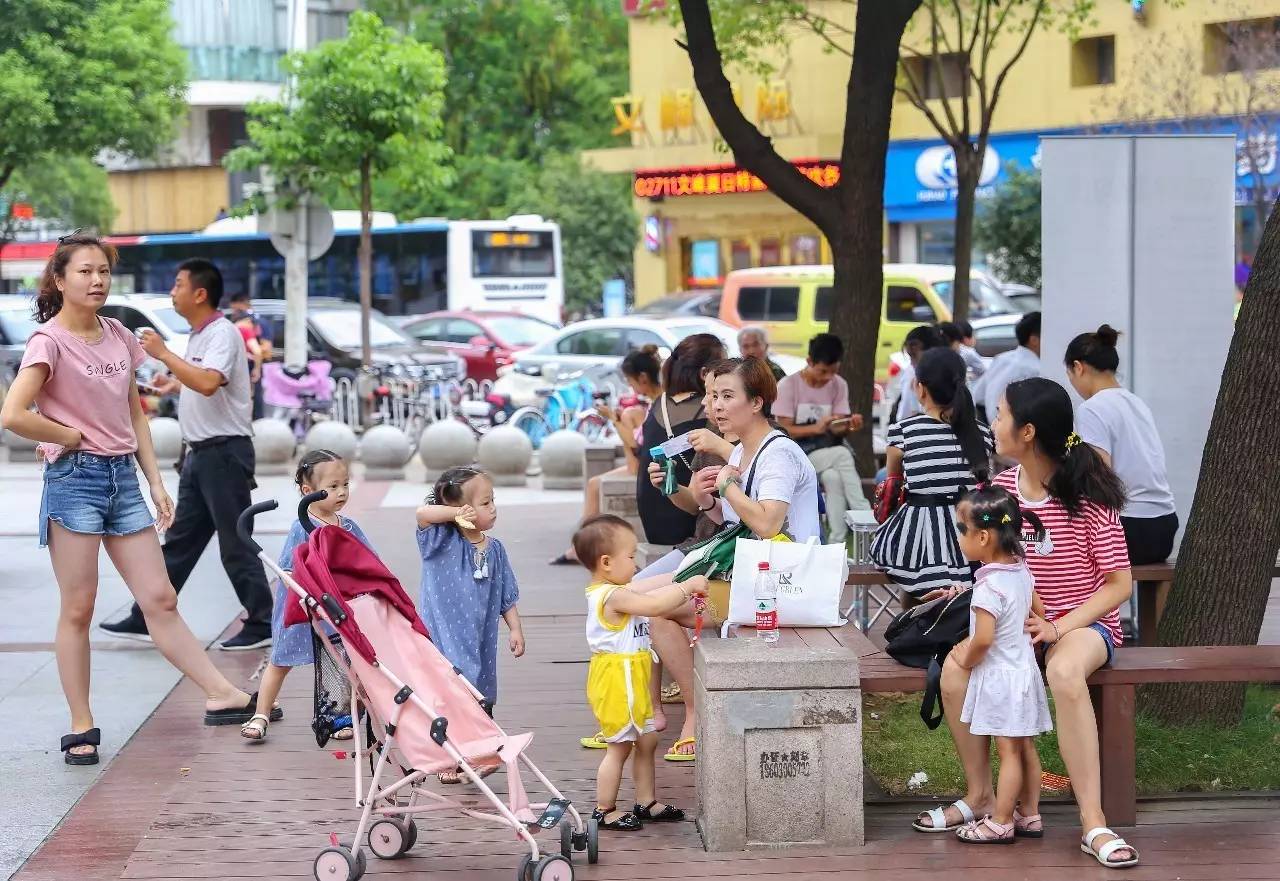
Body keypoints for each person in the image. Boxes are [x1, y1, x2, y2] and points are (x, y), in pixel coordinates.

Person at [0, 232, 262, 764]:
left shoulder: (119, 334)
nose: (97, 280)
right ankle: (81, 724)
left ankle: (222, 693)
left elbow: (133, 413)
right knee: (79, 607)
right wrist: (68, 435)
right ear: (60, 279)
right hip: (74, 481)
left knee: (159, 597)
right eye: (85, 272)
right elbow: (13, 414)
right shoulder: (47, 342)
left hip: (123, 480)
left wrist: (156, 482)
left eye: (103, 271)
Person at [919, 377, 1139, 870]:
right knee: (954, 670)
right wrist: (965, 594)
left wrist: (1058, 628)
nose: (993, 423)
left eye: (1000, 414)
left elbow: (1118, 585)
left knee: (1064, 671)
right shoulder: (1001, 493)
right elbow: (995, 565)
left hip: (1085, 626)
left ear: (1028, 431)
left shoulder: (1088, 491)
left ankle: (1093, 822)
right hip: (1018, 628)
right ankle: (980, 796)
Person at [643, 357, 820, 761]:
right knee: (633, 596)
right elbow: (732, 520)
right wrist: (700, 496)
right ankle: (651, 711)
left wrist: (728, 486)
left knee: (657, 611)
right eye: (713, 396)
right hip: (751, 574)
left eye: (727, 396)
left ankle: (695, 715)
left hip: (783, 585)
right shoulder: (744, 450)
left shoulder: (777, 454)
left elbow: (768, 524)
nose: (716, 406)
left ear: (756, 402)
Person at [101, 259, 274, 650]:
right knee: (179, 542)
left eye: (178, 284)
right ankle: (146, 615)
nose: (172, 291)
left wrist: (164, 354)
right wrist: (174, 383)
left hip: (223, 453)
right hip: (200, 455)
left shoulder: (222, 333)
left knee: (235, 542)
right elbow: (200, 379)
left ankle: (263, 622)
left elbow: (210, 383)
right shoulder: (200, 335)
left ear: (200, 293)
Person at [920, 487, 1051, 844]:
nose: (958, 537)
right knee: (1025, 748)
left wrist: (963, 658)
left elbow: (982, 640)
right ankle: (1030, 814)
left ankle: (1001, 821)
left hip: (1002, 678)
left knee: (1008, 753)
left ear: (982, 537)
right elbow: (1039, 612)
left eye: (961, 530)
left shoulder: (989, 587)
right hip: (1024, 672)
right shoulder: (1021, 571)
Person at [573, 514, 700, 831]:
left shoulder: (618, 590)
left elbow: (648, 592)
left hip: (633, 680)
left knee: (647, 740)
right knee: (619, 747)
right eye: (630, 557)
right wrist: (686, 588)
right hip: (618, 683)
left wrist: (681, 578)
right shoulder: (612, 596)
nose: (635, 564)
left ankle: (646, 801)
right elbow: (655, 606)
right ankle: (605, 809)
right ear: (606, 562)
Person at [240, 450, 373, 743]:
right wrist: (300, 587)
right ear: (307, 491)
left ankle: (339, 717)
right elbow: (288, 567)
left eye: (345, 484)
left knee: (339, 661)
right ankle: (261, 713)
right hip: (300, 606)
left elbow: (367, 560)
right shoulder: (302, 526)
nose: (342, 492)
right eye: (333, 486)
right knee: (280, 660)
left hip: (334, 607)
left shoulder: (349, 527)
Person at [416, 466, 524, 781]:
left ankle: (479, 751)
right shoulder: (440, 542)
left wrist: (515, 628)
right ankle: (448, 760)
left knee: (480, 689)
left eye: (492, 500)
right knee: (451, 692)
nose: (493, 508)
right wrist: (454, 514)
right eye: (485, 503)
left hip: (481, 637)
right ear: (460, 508)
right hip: (444, 636)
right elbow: (422, 514)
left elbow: (506, 595)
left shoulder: (495, 549)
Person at [871, 348, 993, 598]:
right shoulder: (981, 433)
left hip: (918, 539)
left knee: (913, 580)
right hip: (971, 535)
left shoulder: (904, 431)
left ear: (920, 388)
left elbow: (893, 486)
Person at [1064, 324, 1178, 566]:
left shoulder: (1092, 409)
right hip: (1165, 525)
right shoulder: (1136, 403)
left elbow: (1097, 478)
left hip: (1128, 529)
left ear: (1078, 367)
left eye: (1070, 376)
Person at [552, 346, 663, 565]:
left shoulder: (656, 405)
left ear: (642, 378)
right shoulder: (653, 404)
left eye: (629, 381)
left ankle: (582, 547)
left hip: (644, 468)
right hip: (642, 465)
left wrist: (614, 418)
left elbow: (635, 446)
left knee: (595, 485)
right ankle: (580, 546)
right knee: (594, 484)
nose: (630, 386)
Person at [774, 333, 869, 542]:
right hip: (795, 455)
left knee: (833, 478)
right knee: (843, 454)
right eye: (823, 371)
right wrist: (817, 428)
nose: (828, 377)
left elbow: (837, 429)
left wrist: (848, 425)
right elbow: (783, 429)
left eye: (834, 371)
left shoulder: (839, 384)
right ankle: (863, 513)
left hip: (824, 452)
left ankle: (836, 540)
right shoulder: (788, 385)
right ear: (809, 361)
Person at [635, 334, 726, 548]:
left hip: (652, 515)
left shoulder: (659, 402)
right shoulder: (710, 411)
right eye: (724, 367)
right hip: (690, 520)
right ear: (705, 373)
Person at [972, 311, 1041, 425]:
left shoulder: (1001, 359)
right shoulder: (1035, 369)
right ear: (1034, 340)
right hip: (1015, 430)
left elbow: (978, 397)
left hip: (991, 426)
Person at [228, 292, 271, 420]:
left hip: (253, 364)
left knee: (254, 397)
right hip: (248, 364)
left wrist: (249, 355)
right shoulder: (240, 324)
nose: (234, 312)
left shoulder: (258, 323)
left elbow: (266, 349)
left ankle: (257, 421)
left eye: (236, 309)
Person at [893, 324, 948, 424]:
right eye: (910, 357)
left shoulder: (916, 375)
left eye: (914, 356)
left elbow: (905, 414)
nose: (912, 363)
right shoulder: (911, 374)